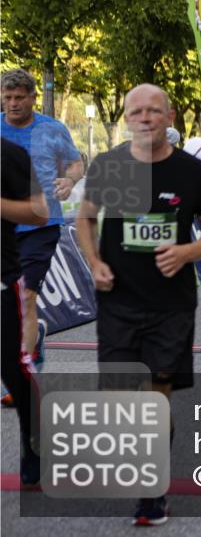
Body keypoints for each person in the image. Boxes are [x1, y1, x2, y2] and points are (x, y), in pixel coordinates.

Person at [76, 84, 201, 525]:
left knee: (155, 402)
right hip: (117, 301)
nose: (144, 118)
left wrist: (186, 252)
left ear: (169, 116)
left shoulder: (191, 171)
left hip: (171, 306)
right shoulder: (110, 166)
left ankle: (151, 490)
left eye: (153, 111)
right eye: (136, 111)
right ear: (125, 118)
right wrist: (95, 262)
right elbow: (84, 219)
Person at [1, 68, 84, 375]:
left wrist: (69, 180)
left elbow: (77, 162)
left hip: (41, 224)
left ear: (33, 98)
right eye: (7, 97)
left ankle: (25, 371)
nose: (12, 104)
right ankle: (34, 335)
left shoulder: (52, 129)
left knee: (27, 293)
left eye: (19, 98)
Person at [1, 138, 48, 485]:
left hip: (1, 278)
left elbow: (38, 211)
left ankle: (34, 446)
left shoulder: (10, 154)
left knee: (12, 368)